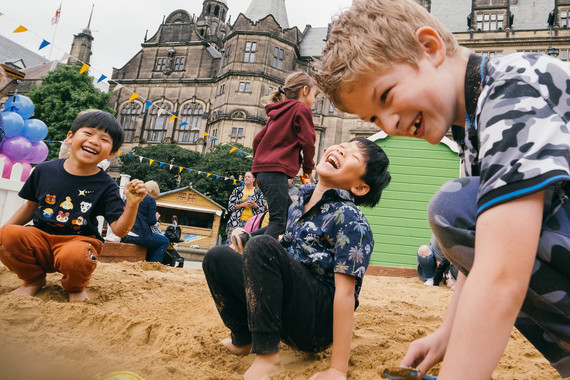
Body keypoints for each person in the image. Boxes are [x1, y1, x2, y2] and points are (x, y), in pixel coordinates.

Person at [314, 0, 570, 378]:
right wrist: (447, 333)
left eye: (386, 96)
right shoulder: (472, 126)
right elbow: (483, 245)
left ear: (430, 48)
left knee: (452, 207)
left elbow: (501, 272)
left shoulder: (512, 88)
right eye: (373, 118)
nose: (390, 123)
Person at [202, 137, 391, 380]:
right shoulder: (297, 206)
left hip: (316, 321)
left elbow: (345, 295)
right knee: (217, 257)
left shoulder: (351, 219)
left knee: (263, 245)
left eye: (353, 156)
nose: (341, 151)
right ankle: (244, 338)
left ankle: (269, 357)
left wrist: (337, 370)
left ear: (360, 187)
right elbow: (287, 256)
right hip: (289, 310)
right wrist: (246, 240)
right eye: (342, 146)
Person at [0, 110, 146, 302]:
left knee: (76, 256)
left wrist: (133, 204)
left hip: (78, 242)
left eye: (104, 139)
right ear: (70, 137)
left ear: (111, 153)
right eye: (88, 133)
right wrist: (4, 233)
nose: (94, 141)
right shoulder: (44, 170)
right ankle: (33, 280)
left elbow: (119, 230)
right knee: (7, 234)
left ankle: (75, 288)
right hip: (40, 238)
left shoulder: (106, 185)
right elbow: (30, 207)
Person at [251, 71, 317, 239]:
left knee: (288, 220)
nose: (315, 100)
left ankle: (246, 239)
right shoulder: (301, 108)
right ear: (304, 90)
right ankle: (260, 258)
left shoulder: (277, 112)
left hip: (263, 172)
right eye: (315, 95)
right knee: (278, 222)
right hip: (275, 173)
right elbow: (308, 142)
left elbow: (257, 140)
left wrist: (257, 167)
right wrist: (308, 169)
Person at [121, 180, 170, 263]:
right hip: (139, 235)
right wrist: (156, 218)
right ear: (153, 191)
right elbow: (151, 221)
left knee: (153, 240)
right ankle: (153, 264)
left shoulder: (130, 197)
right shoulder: (150, 200)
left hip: (125, 235)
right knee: (165, 241)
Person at [226, 171, 266, 241]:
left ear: (253, 179)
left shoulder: (258, 192)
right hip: (236, 222)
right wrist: (242, 205)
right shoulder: (237, 190)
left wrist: (254, 205)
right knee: (233, 243)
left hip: (251, 223)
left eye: (248, 177)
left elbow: (262, 210)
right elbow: (230, 207)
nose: (246, 178)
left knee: (247, 244)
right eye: (245, 177)